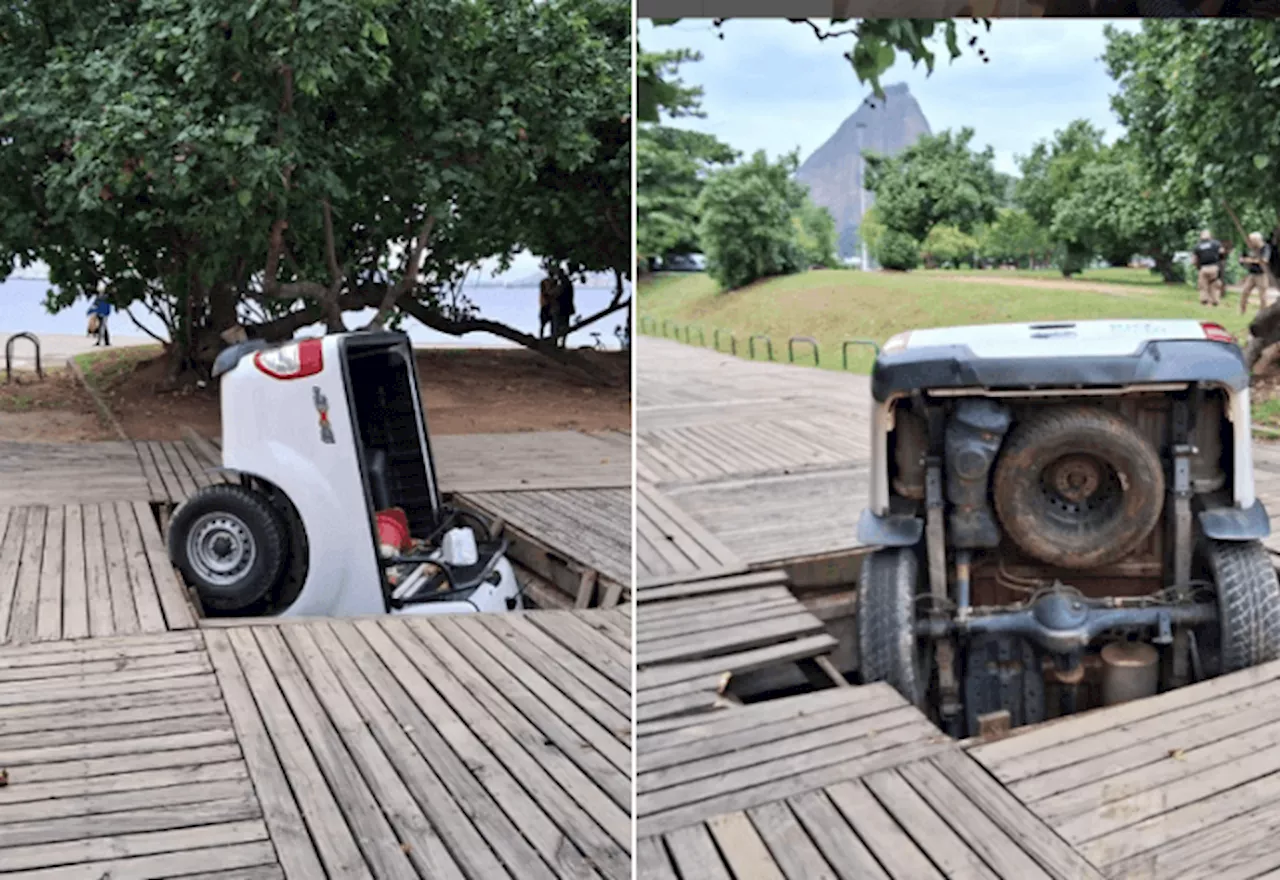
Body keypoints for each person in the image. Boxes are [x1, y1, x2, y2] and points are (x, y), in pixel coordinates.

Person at [1239, 231, 1274, 315]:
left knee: (1262, 295)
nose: (1250, 242)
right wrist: (1242, 259)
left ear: (1257, 240)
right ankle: (1242, 311)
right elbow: (1243, 257)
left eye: (1252, 240)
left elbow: (1265, 260)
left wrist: (1250, 260)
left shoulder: (1265, 248)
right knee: (1245, 291)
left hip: (1262, 274)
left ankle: (1263, 313)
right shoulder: (1251, 248)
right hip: (1252, 274)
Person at [1192, 229, 1225, 306]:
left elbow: (1194, 260)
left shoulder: (1197, 246)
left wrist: (1198, 267)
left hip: (1203, 268)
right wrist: (1219, 261)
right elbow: (1222, 252)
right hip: (1214, 267)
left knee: (1203, 285)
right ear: (1210, 236)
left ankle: (1204, 300)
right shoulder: (1216, 243)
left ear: (1201, 237)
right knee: (1214, 284)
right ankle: (1215, 300)